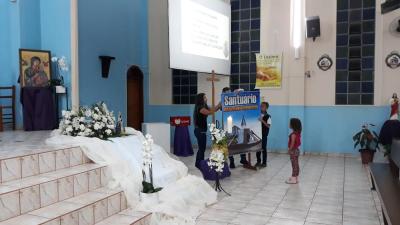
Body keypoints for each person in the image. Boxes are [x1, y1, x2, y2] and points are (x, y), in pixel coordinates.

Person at [220, 87, 248, 169]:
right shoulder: (222, 101)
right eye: (227, 92)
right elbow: (222, 108)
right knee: (230, 141)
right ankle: (231, 161)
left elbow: (242, 92)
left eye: (230, 92)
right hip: (228, 123)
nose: (229, 93)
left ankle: (243, 159)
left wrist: (237, 92)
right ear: (223, 93)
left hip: (237, 122)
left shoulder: (235, 98)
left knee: (241, 139)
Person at [193, 93, 218, 169]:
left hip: (202, 130)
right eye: (204, 98)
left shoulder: (204, 106)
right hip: (199, 131)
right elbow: (210, 112)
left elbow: (213, 109)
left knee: (201, 148)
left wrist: (219, 105)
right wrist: (218, 107)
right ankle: (201, 164)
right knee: (202, 149)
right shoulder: (200, 108)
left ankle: (198, 163)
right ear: (201, 99)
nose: (206, 99)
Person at [286, 118, 302, 184]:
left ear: (293, 125)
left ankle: (293, 178)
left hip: (293, 151)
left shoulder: (293, 134)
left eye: (290, 123)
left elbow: (292, 143)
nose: (289, 124)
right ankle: (296, 177)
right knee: (296, 164)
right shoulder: (297, 133)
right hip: (297, 150)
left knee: (294, 165)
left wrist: (289, 150)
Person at [256, 102, 271, 167]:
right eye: (261, 106)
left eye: (263, 106)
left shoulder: (268, 116)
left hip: (264, 135)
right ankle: (258, 161)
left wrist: (262, 120)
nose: (261, 107)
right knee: (258, 148)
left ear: (266, 108)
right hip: (258, 134)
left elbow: (268, 126)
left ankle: (264, 163)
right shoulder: (258, 115)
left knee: (263, 148)